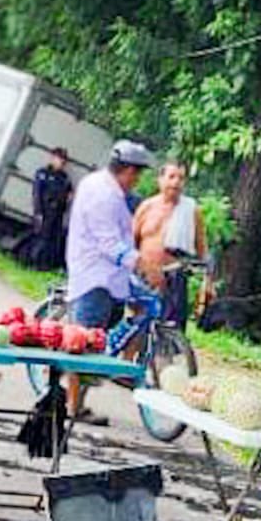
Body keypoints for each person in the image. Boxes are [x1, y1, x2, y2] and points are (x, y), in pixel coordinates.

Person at [64, 140, 153, 423]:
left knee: (98, 343)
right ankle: (73, 407)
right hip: (95, 278)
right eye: (136, 174)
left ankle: (78, 399)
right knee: (86, 343)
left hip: (110, 279)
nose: (136, 180)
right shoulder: (103, 194)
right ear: (126, 170)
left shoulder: (106, 188)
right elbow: (109, 243)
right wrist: (141, 263)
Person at [132, 159, 210, 325]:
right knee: (139, 324)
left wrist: (208, 282)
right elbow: (131, 240)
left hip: (174, 276)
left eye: (181, 178)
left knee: (171, 328)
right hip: (144, 275)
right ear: (160, 180)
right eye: (171, 176)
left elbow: (202, 248)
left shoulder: (191, 209)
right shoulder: (147, 206)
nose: (176, 183)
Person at [31, 149, 73, 270]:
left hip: (58, 213)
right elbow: (37, 193)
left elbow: (69, 193)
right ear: (52, 158)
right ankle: (34, 263)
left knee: (52, 241)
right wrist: (38, 212)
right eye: (60, 159)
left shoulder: (64, 177)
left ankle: (46, 265)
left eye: (64, 160)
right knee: (41, 239)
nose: (62, 162)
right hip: (44, 212)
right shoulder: (43, 173)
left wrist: (68, 199)